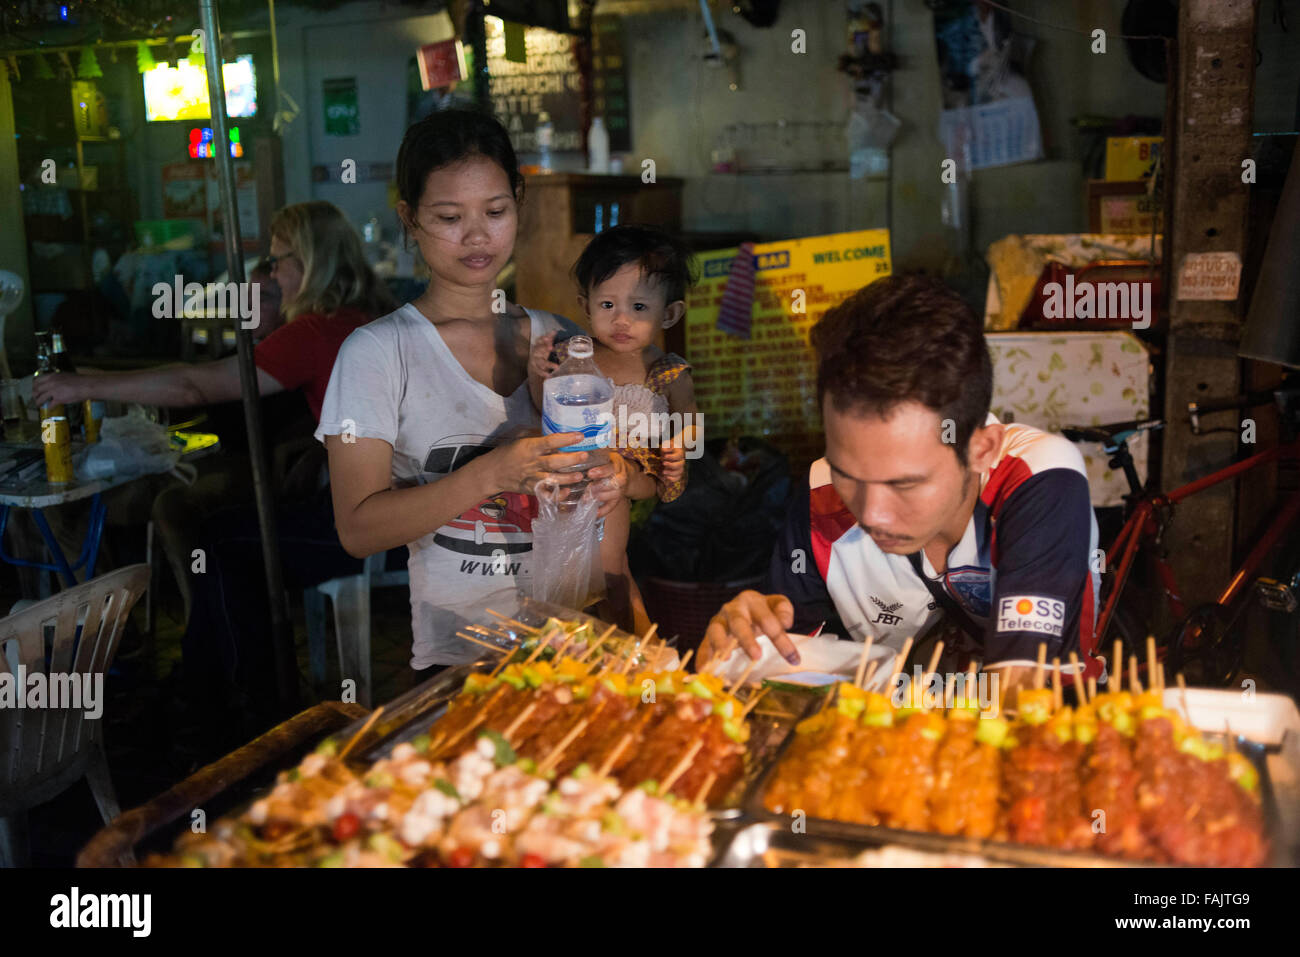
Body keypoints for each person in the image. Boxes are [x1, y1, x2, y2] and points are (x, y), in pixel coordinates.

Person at [317, 109, 641, 675]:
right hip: (463, 655)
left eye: (495, 211)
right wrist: (490, 474)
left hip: (576, 645)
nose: (476, 236)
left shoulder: (566, 342)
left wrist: (615, 479)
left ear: (518, 202)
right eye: (448, 216)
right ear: (409, 219)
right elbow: (357, 530)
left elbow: (611, 507)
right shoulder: (376, 354)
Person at [699, 274, 1103, 696]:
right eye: (848, 475)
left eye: (905, 483)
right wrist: (748, 651)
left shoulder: (1038, 479)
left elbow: (1020, 698)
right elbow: (791, 674)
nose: (871, 514)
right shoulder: (821, 497)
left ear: (981, 449)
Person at [31, 201, 395, 622]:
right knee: (216, 532)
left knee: (217, 543)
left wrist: (84, 385)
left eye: (278, 261)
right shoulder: (369, 314)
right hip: (399, 499)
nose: (273, 272)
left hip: (367, 518)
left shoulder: (312, 332)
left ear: (310, 261)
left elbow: (193, 387)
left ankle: (234, 680)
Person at [528, 224, 699, 633]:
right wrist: (537, 373)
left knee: (608, 565)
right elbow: (543, 406)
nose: (621, 320)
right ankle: (625, 639)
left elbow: (691, 422)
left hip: (637, 476)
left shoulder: (668, 371)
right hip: (577, 472)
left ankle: (625, 634)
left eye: (639, 308)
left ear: (669, 313)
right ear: (585, 306)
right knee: (584, 568)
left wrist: (679, 445)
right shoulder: (574, 356)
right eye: (607, 305)